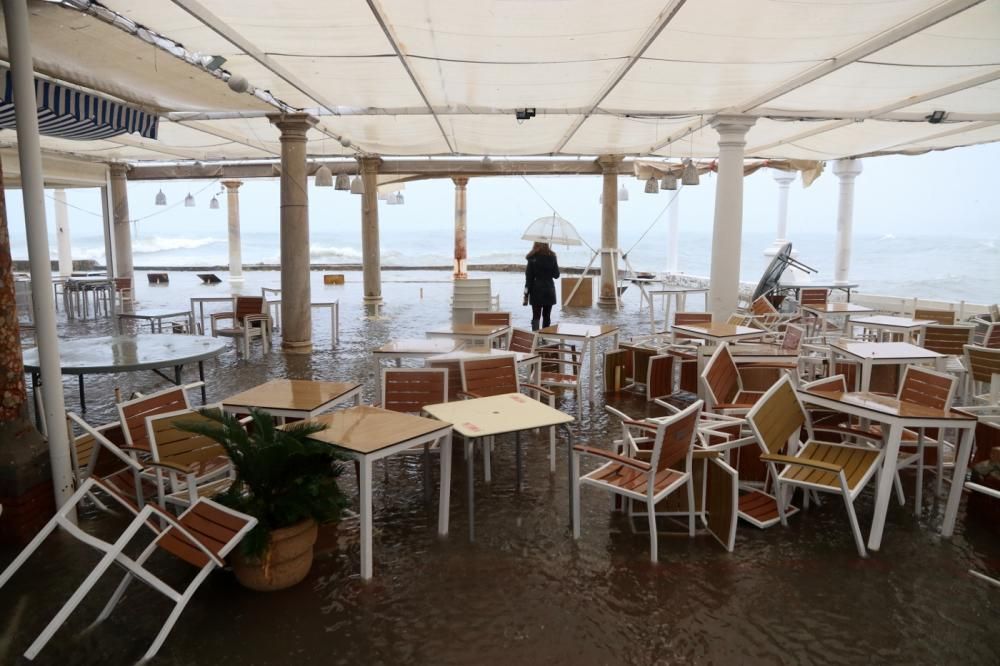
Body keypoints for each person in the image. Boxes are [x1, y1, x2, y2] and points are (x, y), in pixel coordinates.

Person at [524, 241, 559, 331]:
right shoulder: (552, 257)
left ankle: (535, 338)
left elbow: (529, 278)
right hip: (549, 290)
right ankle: (545, 338)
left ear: (536, 245)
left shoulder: (532, 258)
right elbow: (556, 275)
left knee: (536, 316)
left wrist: (526, 294)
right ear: (547, 244)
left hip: (536, 291)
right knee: (547, 316)